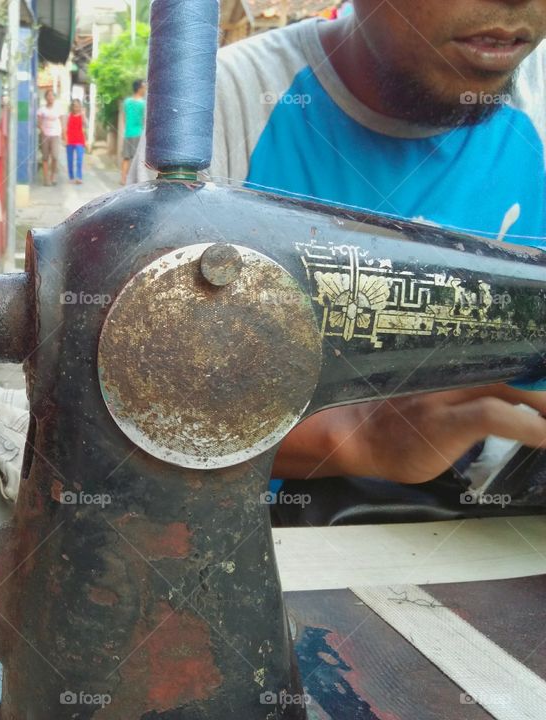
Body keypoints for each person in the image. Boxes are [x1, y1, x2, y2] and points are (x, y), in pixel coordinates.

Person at [132, 1, 546, 516]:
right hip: (269, 538)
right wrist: (356, 436)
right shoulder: (222, 105)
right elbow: (145, 407)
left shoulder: (538, 108)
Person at [119, 79, 146, 185]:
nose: (145, 89)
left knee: (126, 157)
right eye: (144, 87)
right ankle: (137, 180)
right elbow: (144, 119)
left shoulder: (127, 101)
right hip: (138, 133)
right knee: (138, 158)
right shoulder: (143, 103)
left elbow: (124, 118)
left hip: (128, 133)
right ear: (139, 88)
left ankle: (123, 179)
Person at [36, 89, 64, 186]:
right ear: (46, 97)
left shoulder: (58, 109)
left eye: (52, 95)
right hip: (45, 135)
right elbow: (38, 122)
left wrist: (63, 134)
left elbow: (62, 121)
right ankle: (46, 178)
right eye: (48, 95)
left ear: (54, 98)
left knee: (55, 156)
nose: (50, 97)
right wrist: (42, 129)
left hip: (55, 135)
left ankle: (53, 176)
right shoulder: (41, 109)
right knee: (45, 157)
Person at [65, 99, 88, 184]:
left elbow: (86, 125)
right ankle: (71, 176)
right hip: (70, 140)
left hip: (79, 140)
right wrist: (65, 139)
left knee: (79, 159)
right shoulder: (68, 115)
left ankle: (79, 177)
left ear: (80, 107)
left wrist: (84, 115)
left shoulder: (82, 115)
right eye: (75, 106)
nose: (76, 108)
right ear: (72, 107)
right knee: (70, 160)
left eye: (78, 106)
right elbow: (65, 128)